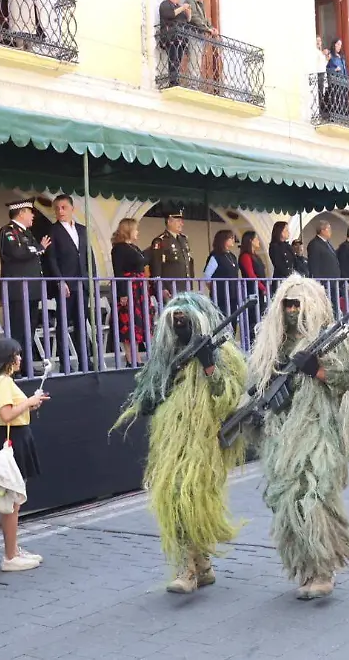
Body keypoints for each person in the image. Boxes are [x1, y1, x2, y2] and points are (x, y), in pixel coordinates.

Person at [248, 275, 349, 599]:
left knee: (315, 496)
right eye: (287, 304)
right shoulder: (272, 344)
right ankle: (304, 566)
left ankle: (323, 568)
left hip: (321, 431)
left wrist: (319, 371)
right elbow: (258, 387)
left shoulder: (335, 341)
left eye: (298, 304)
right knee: (288, 503)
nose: (292, 311)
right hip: (282, 436)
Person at [114, 293, 247, 594]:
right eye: (175, 323)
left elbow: (230, 398)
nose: (180, 328)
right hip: (170, 444)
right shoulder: (165, 357)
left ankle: (195, 566)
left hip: (206, 443)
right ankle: (194, 566)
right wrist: (165, 376)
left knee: (194, 498)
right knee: (175, 497)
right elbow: (145, 401)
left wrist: (210, 366)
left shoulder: (222, 353)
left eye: (185, 322)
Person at [0, 338, 48, 572]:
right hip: (13, 440)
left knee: (13, 498)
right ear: (7, 359)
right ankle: (10, 555)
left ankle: (13, 549)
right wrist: (29, 402)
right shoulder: (1, 381)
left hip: (16, 437)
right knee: (11, 498)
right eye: (16, 355)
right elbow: (6, 413)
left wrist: (30, 405)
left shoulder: (2, 381)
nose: (20, 359)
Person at [43, 194, 93, 370]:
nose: (60, 211)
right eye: (57, 208)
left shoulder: (82, 229)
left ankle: (84, 359)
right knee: (63, 324)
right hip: (65, 284)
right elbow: (52, 259)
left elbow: (88, 255)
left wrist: (91, 279)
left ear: (73, 209)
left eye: (64, 207)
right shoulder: (53, 230)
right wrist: (60, 280)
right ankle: (65, 362)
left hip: (82, 282)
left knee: (82, 322)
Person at [0, 199, 51, 362]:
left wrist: (36, 249)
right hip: (18, 290)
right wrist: (39, 249)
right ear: (21, 213)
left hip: (31, 289)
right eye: (30, 211)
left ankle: (26, 363)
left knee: (30, 330)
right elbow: (18, 253)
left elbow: (30, 251)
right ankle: (14, 365)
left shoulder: (27, 233)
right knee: (18, 331)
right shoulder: (8, 231)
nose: (33, 215)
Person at [110, 218, 152, 359]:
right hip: (129, 288)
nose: (137, 232)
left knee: (140, 322)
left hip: (139, 288)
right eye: (135, 229)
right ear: (128, 230)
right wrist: (123, 293)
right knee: (129, 322)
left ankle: (137, 355)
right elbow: (118, 271)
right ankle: (130, 357)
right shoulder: (119, 248)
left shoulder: (134, 247)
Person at [149, 209, 195, 300]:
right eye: (178, 221)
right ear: (169, 221)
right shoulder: (161, 240)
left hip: (185, 287)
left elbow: (188, 262)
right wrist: (161, 288)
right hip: (170, 288)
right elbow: (156, 267)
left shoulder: (184, 239)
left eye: (182, 221)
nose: (182, 224)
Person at [204, 230, 241, 321]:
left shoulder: (232, 256)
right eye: (230, 238)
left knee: (233, 319)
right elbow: (207, 276)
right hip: (221, 295)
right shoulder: (216, 256)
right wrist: (214, 289)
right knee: (222, 319)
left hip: (233, 294)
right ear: (223, 240)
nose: (233, 240)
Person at [238, 230, 268, 338]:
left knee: (261, 317)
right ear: (251, 240)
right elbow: (251, 275)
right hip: (252, 290)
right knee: (253, 319)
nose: (258, 241)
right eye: (256, 239)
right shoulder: (245, 256)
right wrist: (262, 287)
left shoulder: (256, 256)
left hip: (260, 290)